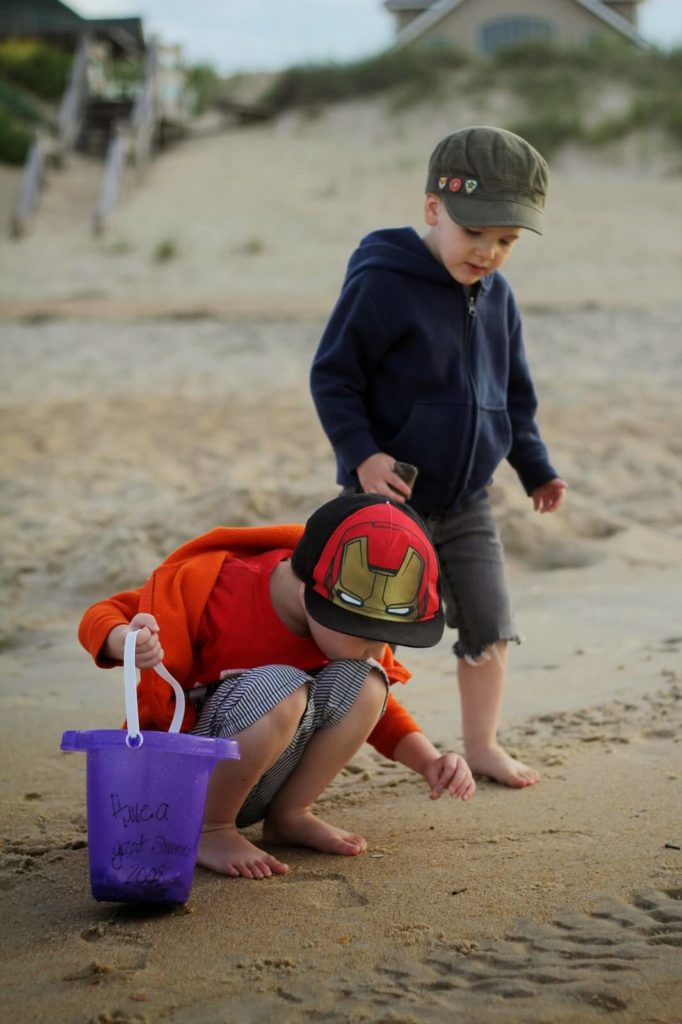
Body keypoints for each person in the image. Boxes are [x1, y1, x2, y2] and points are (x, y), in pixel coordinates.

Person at [310, 125, 567, 789]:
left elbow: (515, 398)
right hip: (388, 498)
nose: (487, 252)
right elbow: (334, 377)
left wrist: (534, 467)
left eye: (506, 241)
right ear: (433, 210)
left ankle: (482, 745)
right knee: (366, 636)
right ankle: (312, 757)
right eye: (475, 233)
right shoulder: (383, 282)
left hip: (470, 500)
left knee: (490, 623)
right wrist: (363, 457)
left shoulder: (498, 296)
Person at [79, 493, 474, 881]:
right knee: (282, 685)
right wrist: (125, 639)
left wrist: (429, 761)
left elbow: (381, 712)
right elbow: (102, 613)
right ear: (309, 594)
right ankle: (210, 831)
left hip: (257, 783)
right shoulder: (214, 586)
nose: (377, 644)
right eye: (365, 632)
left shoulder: (346, 630)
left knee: (369, 680)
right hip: (180, 786)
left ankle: (289, 816)